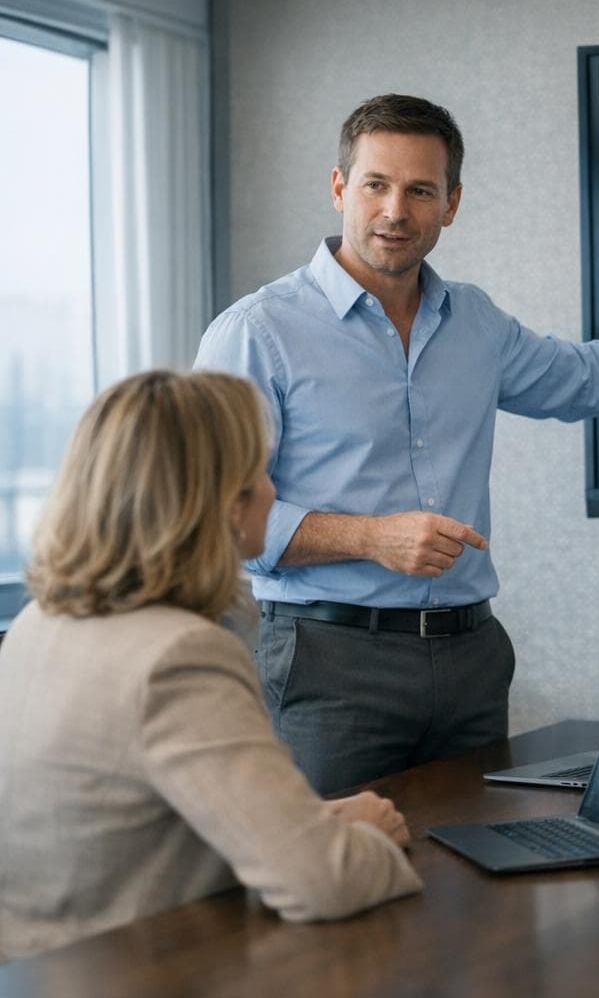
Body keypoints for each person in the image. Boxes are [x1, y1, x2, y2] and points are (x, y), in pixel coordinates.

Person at [194, 93, 599, 795]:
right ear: (340, 187)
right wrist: (370, 537)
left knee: (469, 882)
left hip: (471, 658)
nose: (395, 210)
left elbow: (586, 378)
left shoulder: (474, 321)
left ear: (451, 204)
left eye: (420, 191)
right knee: (334, 880)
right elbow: (215, 517)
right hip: (327, 660)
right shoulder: (258, 333)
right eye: (376, 184)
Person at [0, 370, 422, 963]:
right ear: (224, 504)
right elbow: (322, 882)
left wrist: (312, 822)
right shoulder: (178, 658)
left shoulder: (35, 627)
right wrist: (368, 840)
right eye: (261, 472)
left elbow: (131, 823)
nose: (274, 493)